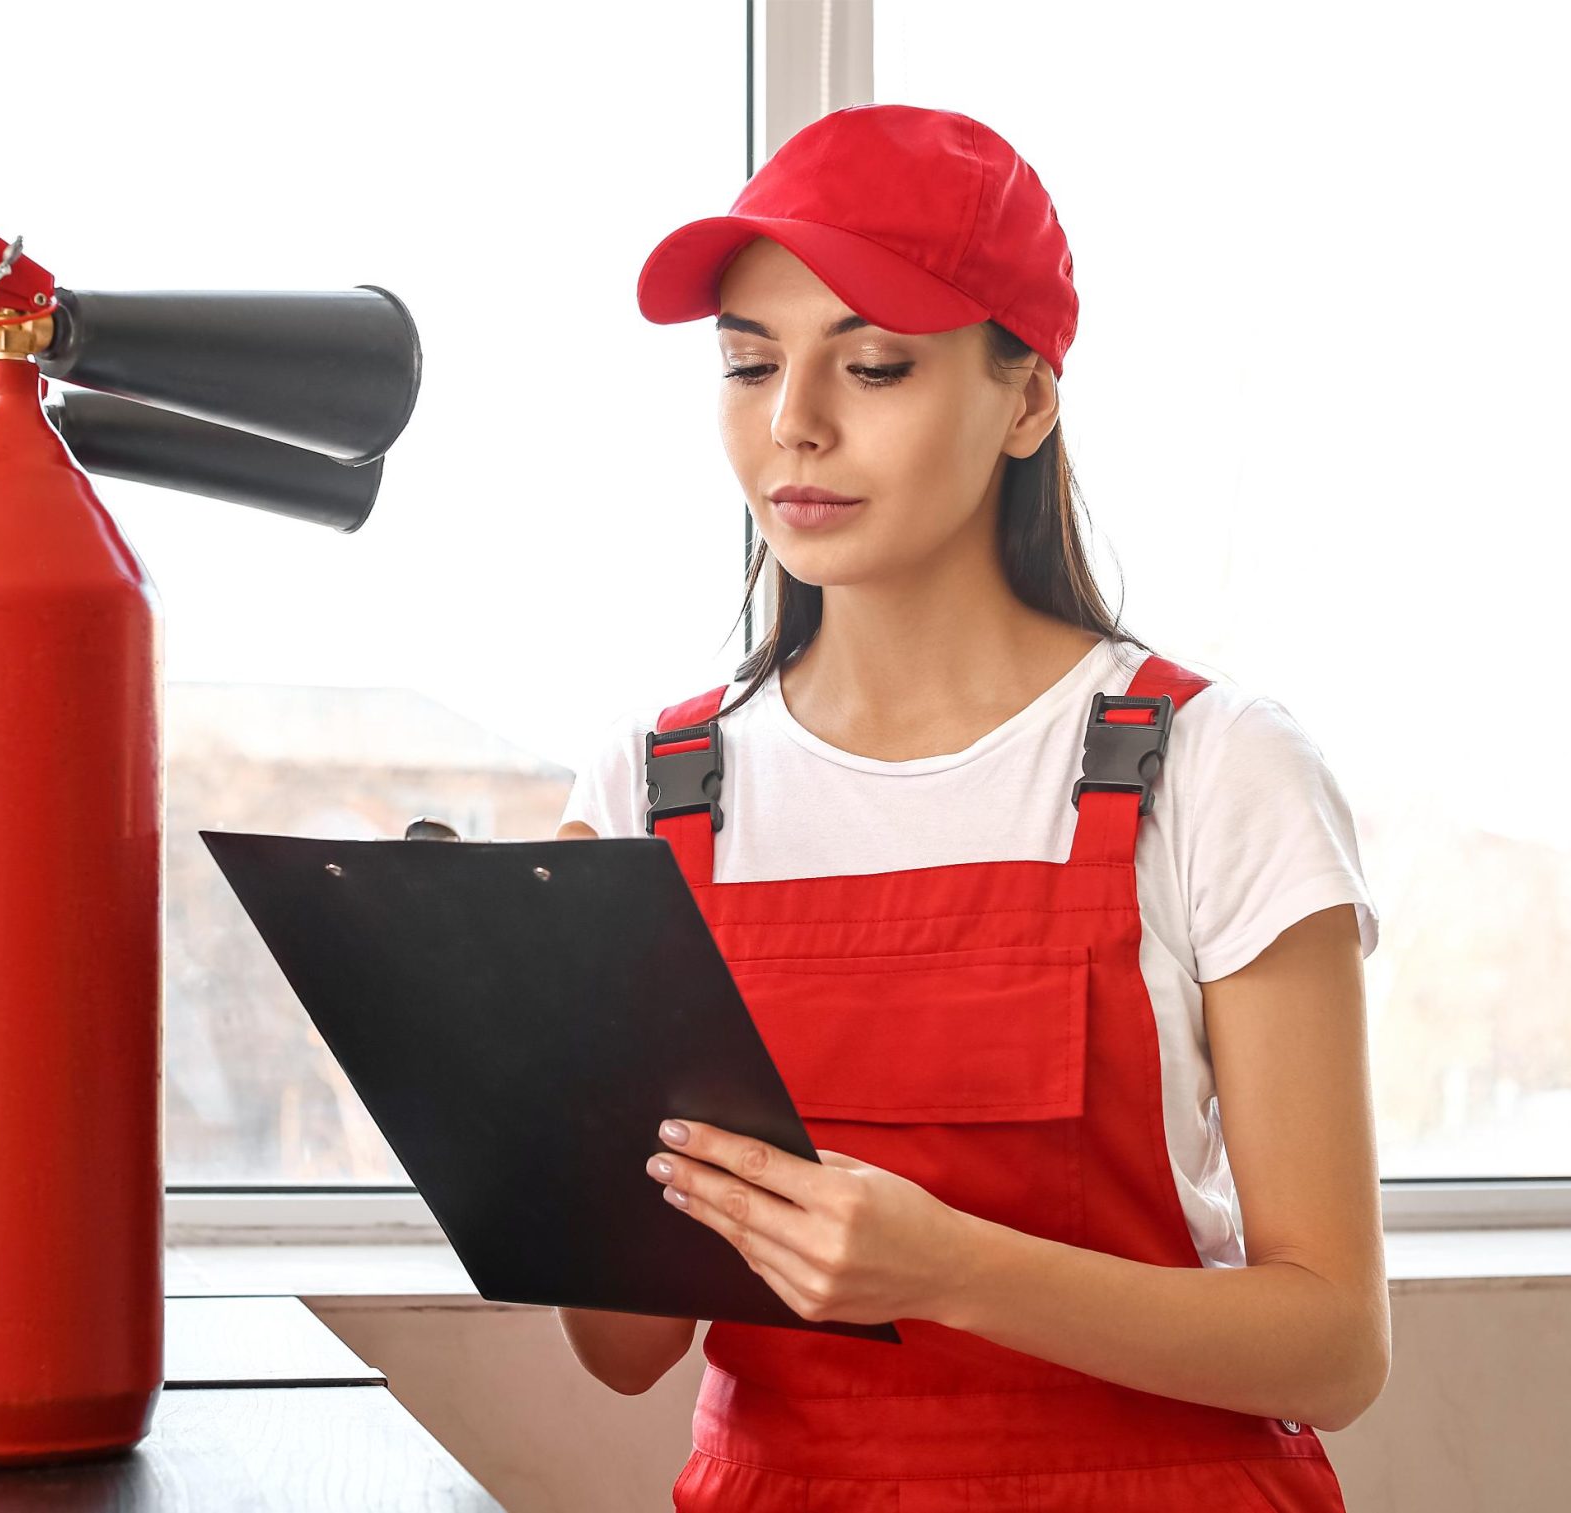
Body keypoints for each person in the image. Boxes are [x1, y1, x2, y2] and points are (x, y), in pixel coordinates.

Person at [552, 104, 1386, 1510]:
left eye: (872, 364)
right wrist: (499, 1087)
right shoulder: (646, 794)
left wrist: (951, 1269)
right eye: (749, 365)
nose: (793, 425)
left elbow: (1335, 1343)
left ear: (1028, 398)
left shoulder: (1215, 766)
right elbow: (627, 1349)